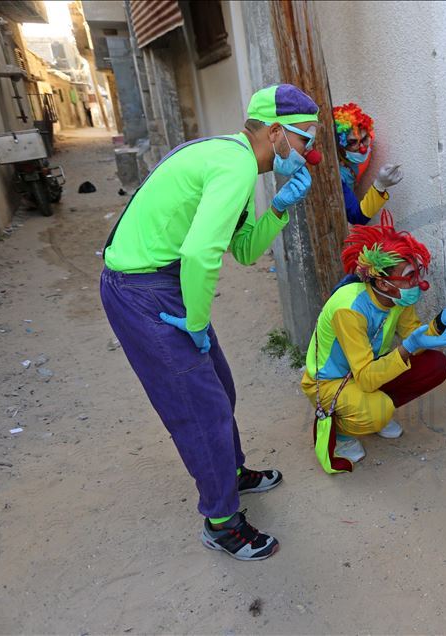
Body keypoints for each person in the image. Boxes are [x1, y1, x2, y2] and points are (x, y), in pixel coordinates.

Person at [100, 84, 320, 560]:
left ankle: (232, 472)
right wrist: (195, 323)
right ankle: (221, 522)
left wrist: (280, 208)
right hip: (142, 289)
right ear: (277, 133)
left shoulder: (235, 159)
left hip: (162, 281)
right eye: (305, 139)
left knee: (220, 388)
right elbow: (200, 254)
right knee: (201, 411)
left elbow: (242, 250)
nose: (309, 152)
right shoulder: (236, 166)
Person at [302, 211, 446, 472]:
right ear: (382, 282)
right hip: (331, 382)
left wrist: (442, 320)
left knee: (435, 364)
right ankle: (342, 429)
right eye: (410, 276)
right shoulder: (350, 309)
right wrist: (407, 348)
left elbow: (416, 337)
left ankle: (375, 409)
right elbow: (367, 376)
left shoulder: (396, 298)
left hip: (366, 369)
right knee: (377, 409)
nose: (418, 283)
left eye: (416, 273)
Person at [333, 102, 403, 225]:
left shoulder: (352, 158)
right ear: (338, 146)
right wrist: (380, 185)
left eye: (364, 139)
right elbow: (357, 217)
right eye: (353, 142)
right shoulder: (335, 175)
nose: (362, 148)